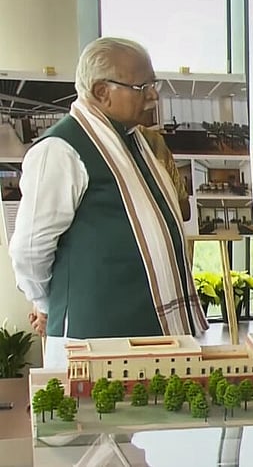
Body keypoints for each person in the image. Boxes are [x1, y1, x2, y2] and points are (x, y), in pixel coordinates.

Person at [10, 37, 208, 368]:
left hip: (148, 329)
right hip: (97, 335)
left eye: (152, 84)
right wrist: (47, 303)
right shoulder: (60, 150)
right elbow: (30, 249)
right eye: (142, 86)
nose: (153, 95)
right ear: (102, 92)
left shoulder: (135, 143)